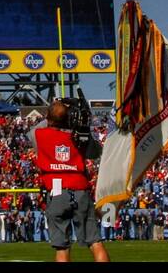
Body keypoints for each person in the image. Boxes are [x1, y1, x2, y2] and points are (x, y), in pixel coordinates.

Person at [29, 99, 109, 263]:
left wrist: (57, 113)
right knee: (95, 242)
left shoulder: (39, 134)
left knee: (62, 247)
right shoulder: (78, 136)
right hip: (79, 187)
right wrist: (77, 123)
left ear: (48, 118)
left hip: (56, 188)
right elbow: (95, 152)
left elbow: (45, 123)